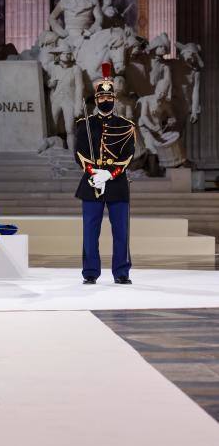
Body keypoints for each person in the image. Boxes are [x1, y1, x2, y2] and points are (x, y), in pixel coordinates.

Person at [74, 63, 135, 285]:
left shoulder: (126, 126)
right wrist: (94, 173)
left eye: (109, 96)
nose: (105, 100)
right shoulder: (84, 124)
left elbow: (128, 155)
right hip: (92, 183)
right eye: (102, 97)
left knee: (121, 231)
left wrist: (108, 175)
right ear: (96, 99)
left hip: (116, 183)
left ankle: (121, 271)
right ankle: (90, 271)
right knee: (90, 232)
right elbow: (79, 153)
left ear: (114, 99)